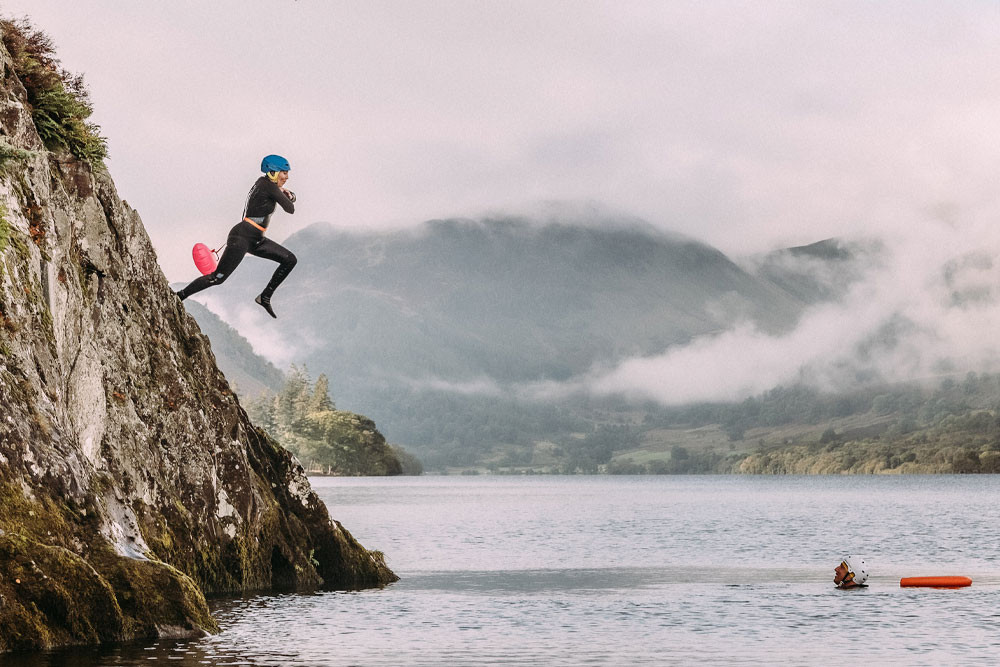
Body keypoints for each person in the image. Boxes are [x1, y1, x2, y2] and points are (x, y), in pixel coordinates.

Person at [175, 154, 298, 318]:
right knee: (217, 278)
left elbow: (287, 199)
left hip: (256, 240)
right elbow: (290, 208)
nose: (287, 177)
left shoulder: (264, 184)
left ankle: (265, 297)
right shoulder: (269, 186)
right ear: (273, 172)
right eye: (284, 172)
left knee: (290, 259)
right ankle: (179, 296)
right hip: (241, 238)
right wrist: (286, 195)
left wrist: (285, 193)